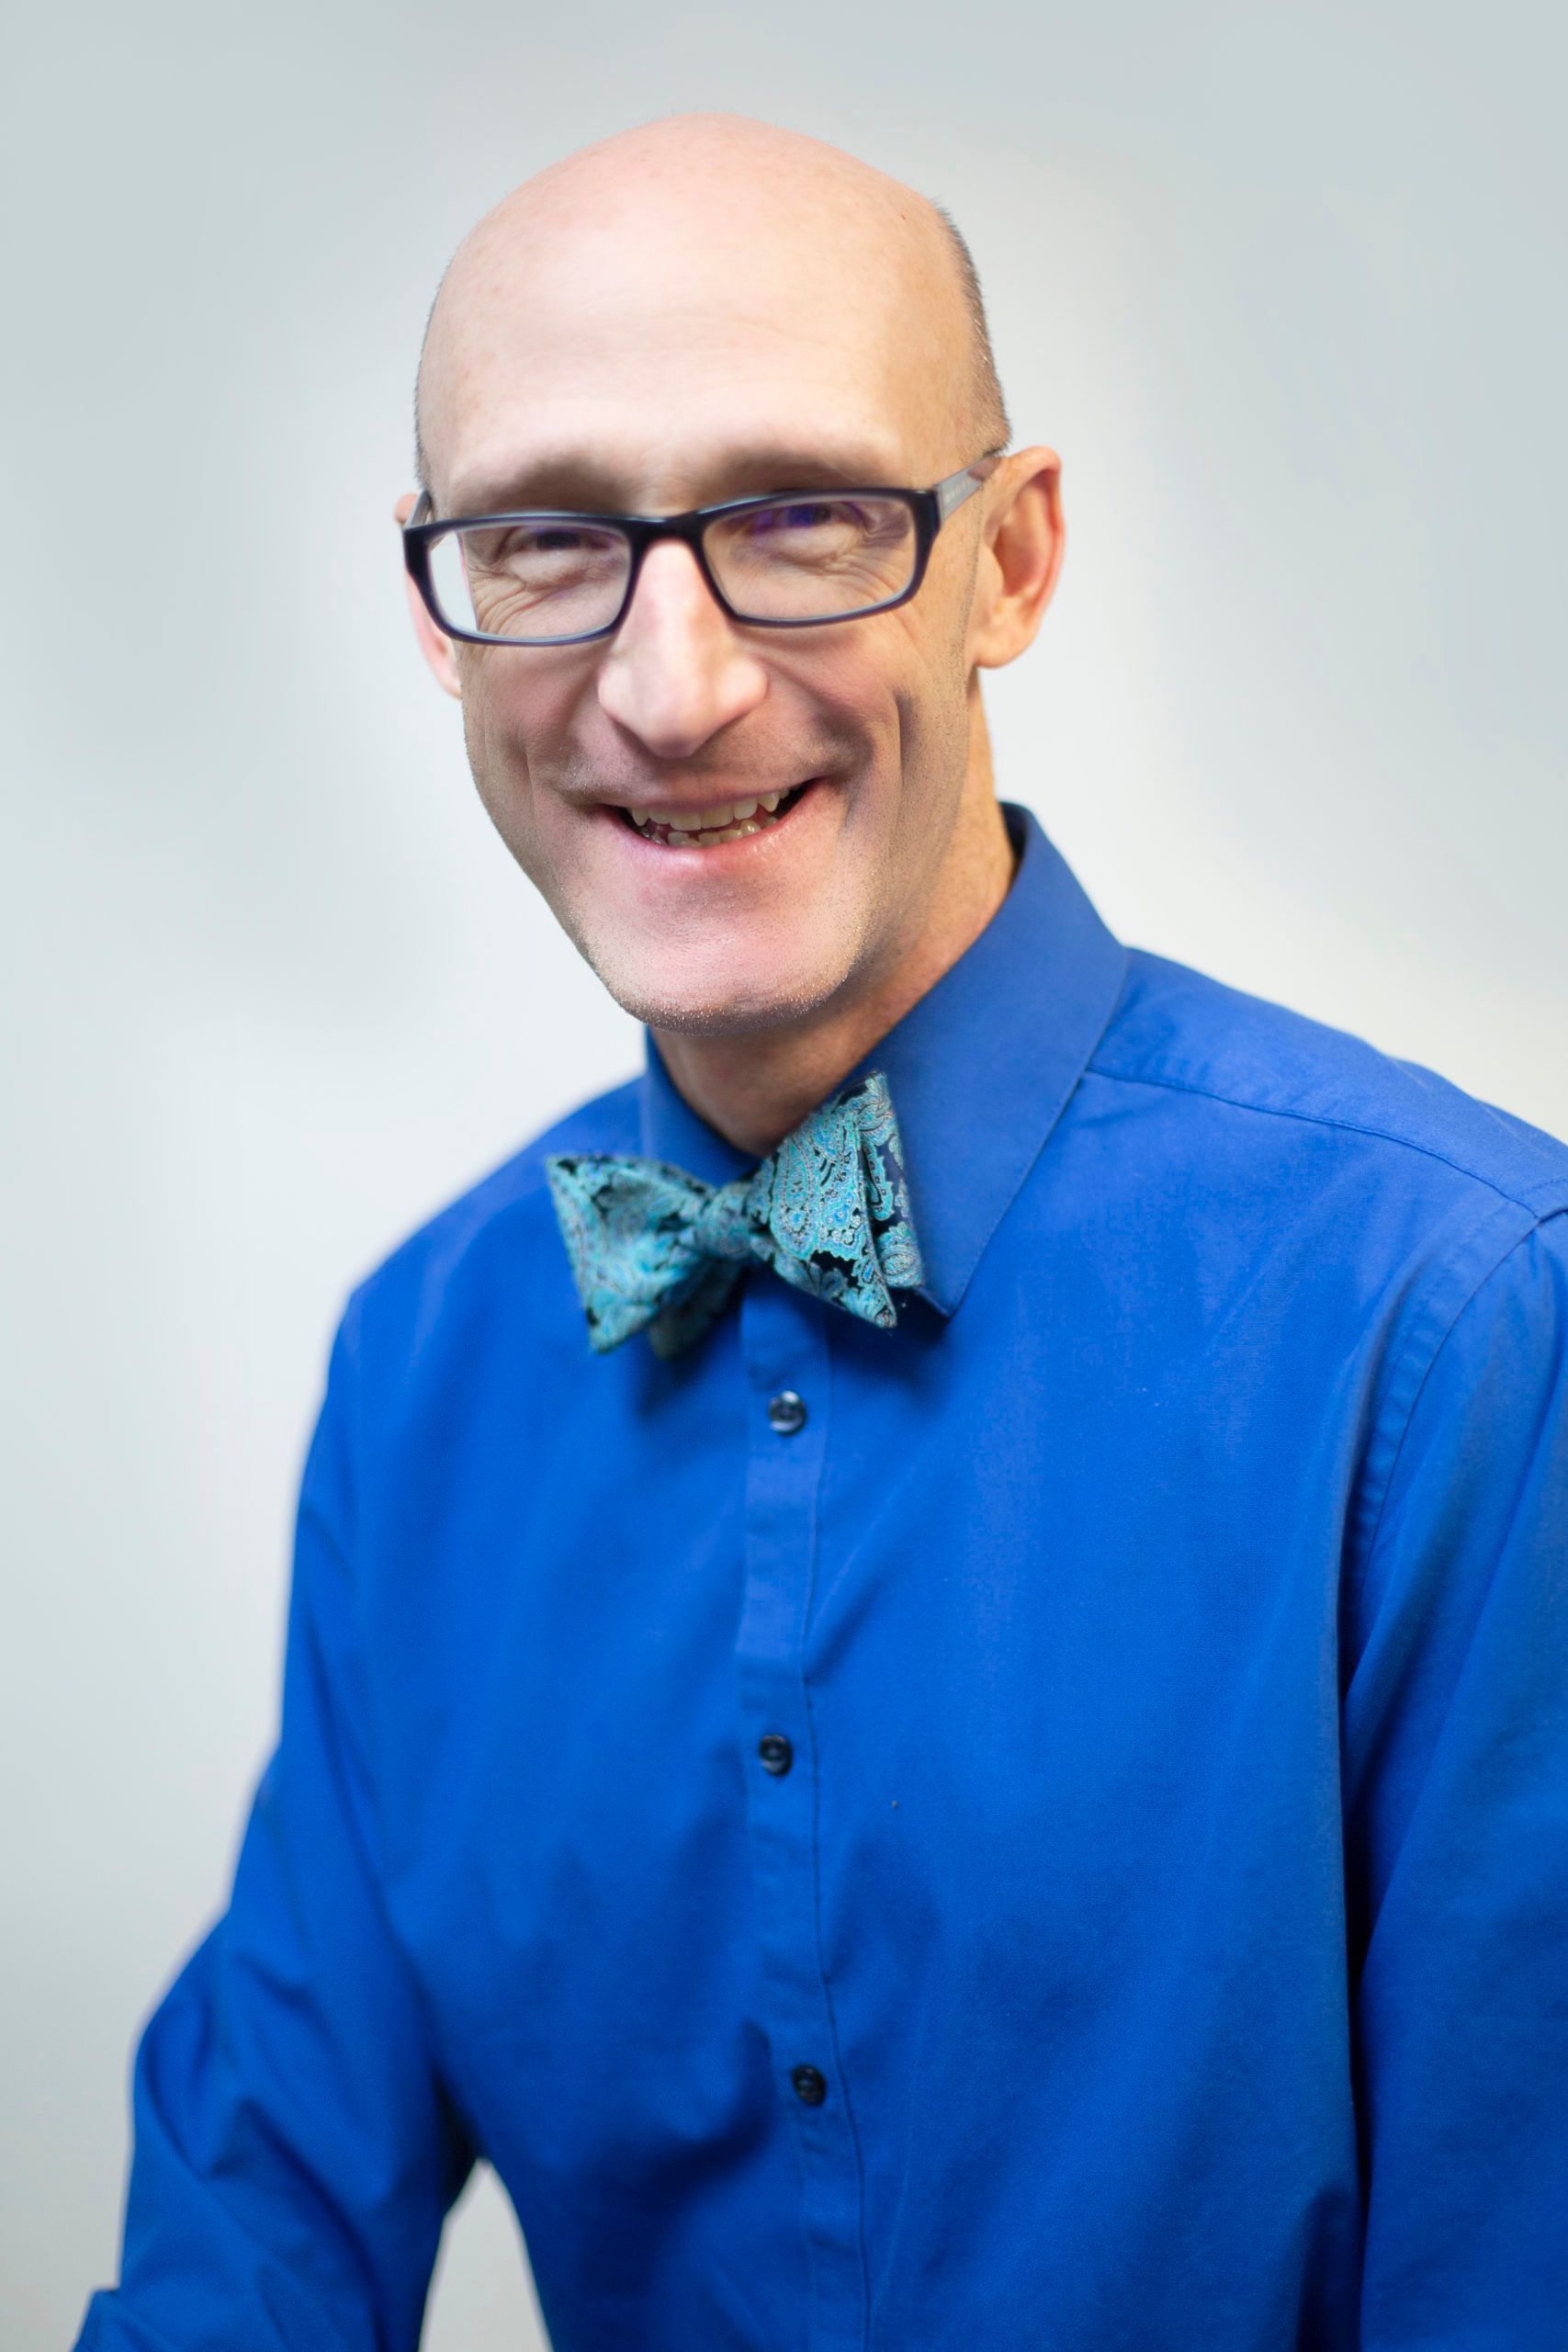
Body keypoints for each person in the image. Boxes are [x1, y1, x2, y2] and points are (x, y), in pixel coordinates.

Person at [78, 112, 1568, 2352]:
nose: (667, 689)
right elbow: (253, 2238)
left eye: (798, 517)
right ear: (434, 611)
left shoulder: (1457, 1313)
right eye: (552, 538)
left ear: (1011, 561)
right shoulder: (424, 1368)